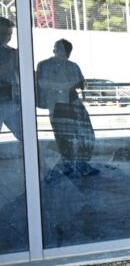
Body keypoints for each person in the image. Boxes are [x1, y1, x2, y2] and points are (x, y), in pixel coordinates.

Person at [36, 39, 97, 177]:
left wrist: (77, 84)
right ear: (55, 50)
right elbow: (41, 83)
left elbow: (81, 83)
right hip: (56, 104)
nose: (64, 53)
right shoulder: (44, 65)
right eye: (61, 49)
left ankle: (82, 163)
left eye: (67, 50)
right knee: (63, 136)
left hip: (74, 102)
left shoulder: (73, 66)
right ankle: (67, 164)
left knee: (87, 133)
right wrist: (62, 86)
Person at [0, 17, 22, 140]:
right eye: (3, 34)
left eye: (9, 34)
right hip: (4, 100)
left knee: (25, 133)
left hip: (12, 100)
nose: (7, 37)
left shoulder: (12, 52)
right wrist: (11, 64)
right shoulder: (12, 55)